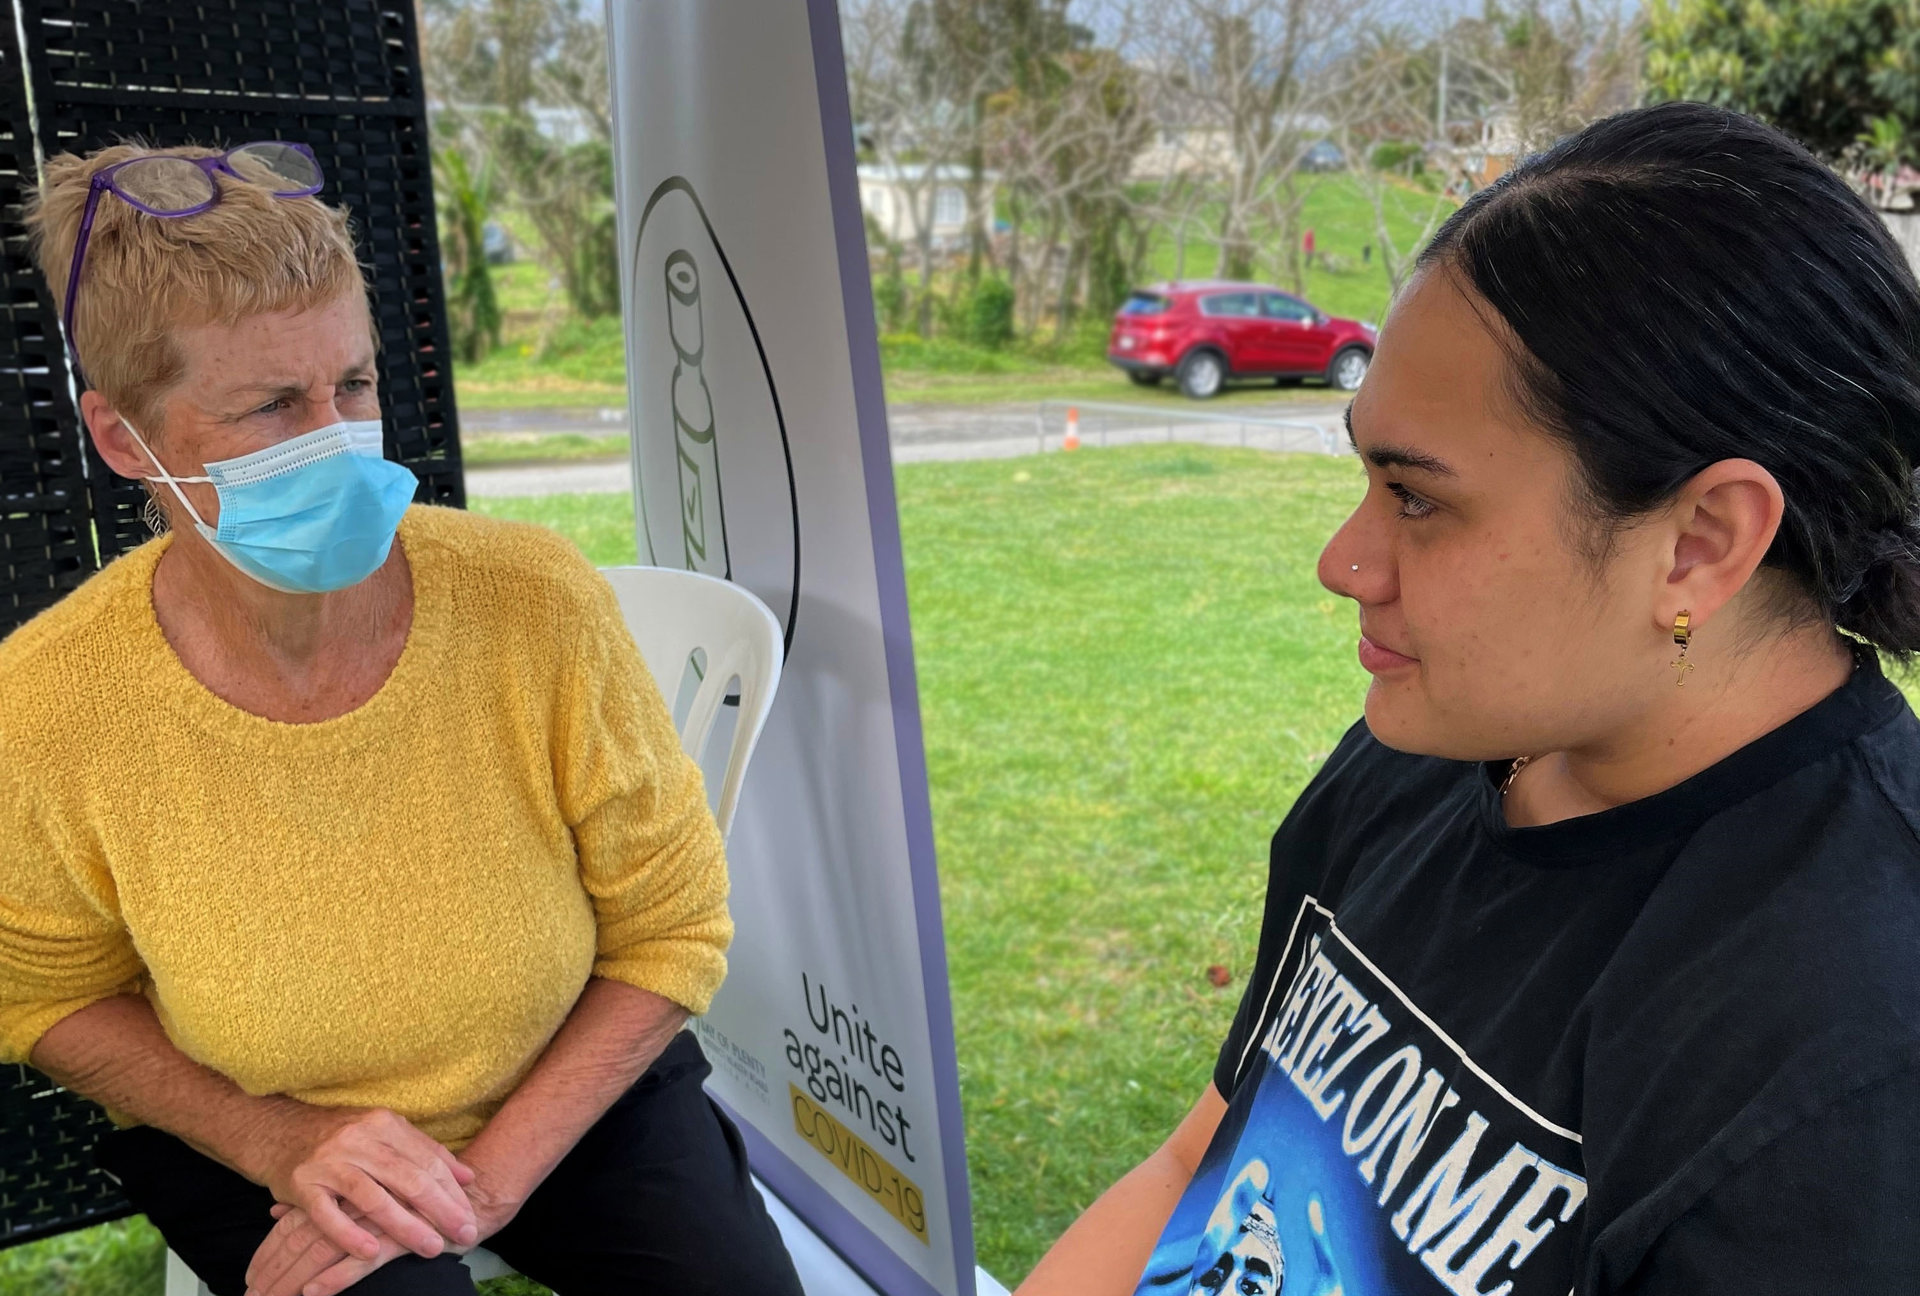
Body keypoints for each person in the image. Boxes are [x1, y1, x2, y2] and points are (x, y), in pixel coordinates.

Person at [1019, 102, 1920, 1296]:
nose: (1344, 561)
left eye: (1417, 497)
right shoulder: (1426, 757)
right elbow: (1201, 1154)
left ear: (1701, 542)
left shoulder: (1849, 1061)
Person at [0, 142, 803, 1296]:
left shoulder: (532, 599)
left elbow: (672, 927)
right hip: (266, 1139)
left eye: (355, 385)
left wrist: (479, 1185)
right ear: (127, 438)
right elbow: (41, 992)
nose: (337, 436)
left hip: (572, 1086)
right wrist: (278, 1144)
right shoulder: (52, 701)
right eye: (273, 405)